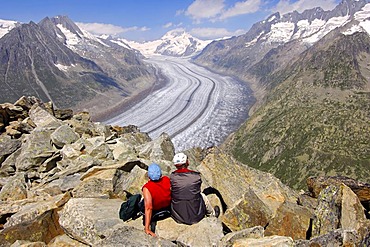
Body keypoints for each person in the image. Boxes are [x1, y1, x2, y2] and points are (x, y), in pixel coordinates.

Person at [170, 152, 218, 225]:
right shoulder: (196, 176)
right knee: (202, 196)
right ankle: (212, 215)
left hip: (178, 216)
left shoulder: (172, 177)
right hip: (196, 216)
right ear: (186, 162)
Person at [141, 163, 171, 237]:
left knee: (141, 203)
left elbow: (149, 207)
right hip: (167, 209)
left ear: (149, 176)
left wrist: (147, 228)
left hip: (155, 211)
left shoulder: (147, 188)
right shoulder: (167, 179)